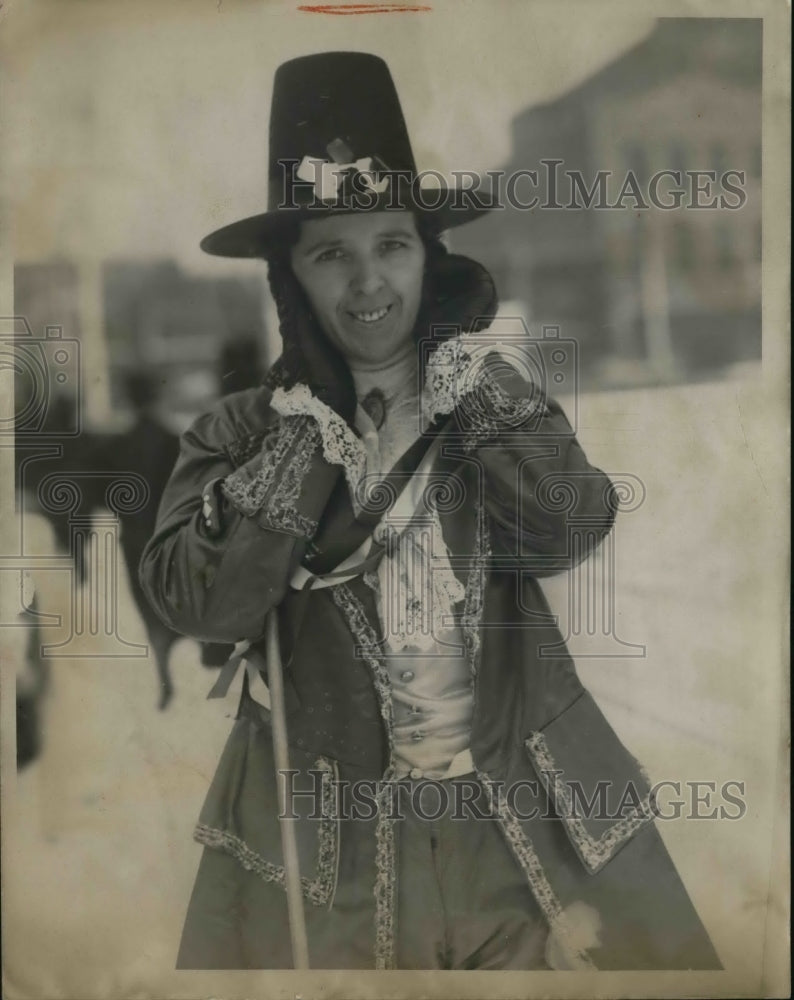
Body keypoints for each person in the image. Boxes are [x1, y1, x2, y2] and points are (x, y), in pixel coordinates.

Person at [139, 52, 720, 971]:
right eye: (332, 253)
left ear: (427, 254)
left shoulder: (486, 395)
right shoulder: (238, 433)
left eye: (392, 245)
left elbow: (570, 526)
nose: (369, 283)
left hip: (529, 821)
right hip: (329, 857)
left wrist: (474, 392)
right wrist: (304, 436)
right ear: (290, 280)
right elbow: (202, 605)